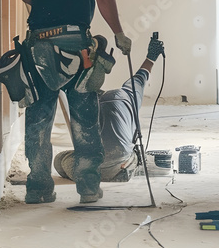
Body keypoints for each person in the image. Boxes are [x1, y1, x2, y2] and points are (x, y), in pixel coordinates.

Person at [19, 0, 132, 205]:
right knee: (84, 117)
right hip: (75, 46)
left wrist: (52, 2)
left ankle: (38, 187)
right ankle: (88, 187)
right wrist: (118, 32)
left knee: (39, 116)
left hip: (38, 45)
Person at [54, 36, 165, 183]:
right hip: (119, 164)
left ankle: (91, 175)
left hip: (88, 167)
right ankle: (124, 169)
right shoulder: (129, 94)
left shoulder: (90, 102)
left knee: (59, 160)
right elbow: (142, 74)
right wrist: (151, 56)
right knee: (134, 153)